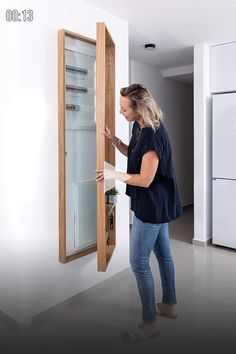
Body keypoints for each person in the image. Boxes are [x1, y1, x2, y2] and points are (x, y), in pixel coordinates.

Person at [96, 83, 182, 343]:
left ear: (139, 108)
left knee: (139, 263)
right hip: (157, 202)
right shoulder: (139, 127)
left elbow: (145, 179)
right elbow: (133, 153)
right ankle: (168, 304)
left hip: (153, 205)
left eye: (124, 108)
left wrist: (113, 175)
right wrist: (115, 141)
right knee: (164, 255)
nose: (121, 112)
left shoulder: (155, 135)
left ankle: (149, 323)